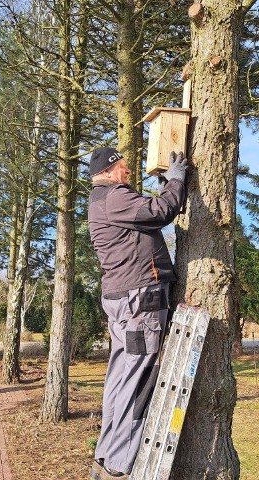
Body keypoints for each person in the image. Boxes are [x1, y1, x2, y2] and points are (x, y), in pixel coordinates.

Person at [87, 147, 188, 480]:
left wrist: (165, 185)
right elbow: (160, 212)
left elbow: (144, 216)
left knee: (120, 376)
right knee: (137, 376)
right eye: (124, 167)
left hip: (122, 300)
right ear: (110, 169)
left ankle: (106, 450)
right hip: (139, 300)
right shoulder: (114, 196)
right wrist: (175, 180)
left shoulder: (102, 201)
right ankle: (120, 462)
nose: (128, 173)